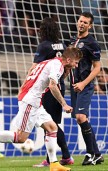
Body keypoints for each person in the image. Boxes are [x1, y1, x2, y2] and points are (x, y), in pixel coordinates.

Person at [0, 46, 82, 171]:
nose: (76, 66)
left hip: (33, 99)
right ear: (68, 60)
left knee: (52, 128)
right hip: (31, 100)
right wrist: (64, 104)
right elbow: (52, 85)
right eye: (76, 62)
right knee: (20, 137)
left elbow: (33, 71)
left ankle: (54, 164)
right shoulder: (57, 65)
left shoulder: (50, 62)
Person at [26, 17, 73, 168]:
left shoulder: (44, 46)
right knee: (54, 124)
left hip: (48, 88)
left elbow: (34, 68)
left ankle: (58, 157)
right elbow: (67, 67)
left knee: (50, 124)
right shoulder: (63, 45)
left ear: (43, 31)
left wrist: (28, 82)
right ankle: (63, 156)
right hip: (60, 86)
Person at [69, 12, 104, 165]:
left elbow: (97, 67)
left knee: (80, 117)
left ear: (90, 26)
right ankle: (97, 153)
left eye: (85, 22)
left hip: (85, 85)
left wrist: (83, 83)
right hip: (73, 85)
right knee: (81, 119)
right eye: (80, 21)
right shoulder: (72, 40)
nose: (82, 24)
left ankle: (91, 154)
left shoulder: (92, 43)